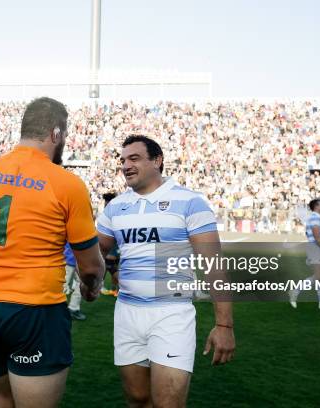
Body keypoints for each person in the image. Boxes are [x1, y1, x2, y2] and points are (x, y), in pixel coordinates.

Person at [0, 97, 105, 408]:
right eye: (64, 134)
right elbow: (91, 266)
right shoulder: (67, 184)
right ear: (55, 134)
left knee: (2, 397)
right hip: (36, 309)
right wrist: (90, 287)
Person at [97, 135, 235, 408]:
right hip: (127, 312)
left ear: (157, 161)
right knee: (137, 399)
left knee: (168, 404)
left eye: (134, 158)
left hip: (172, 315)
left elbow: (213, 266)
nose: (126, 165)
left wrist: (224, 325)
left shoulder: (189, 202)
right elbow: (97, 250)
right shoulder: (116, 206)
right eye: (123, 160)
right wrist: (109, 269)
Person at [289, 199, 320, 310]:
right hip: (314, 248)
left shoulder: (314, 217)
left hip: (315, 247)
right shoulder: (315, 217)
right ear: (316, 206)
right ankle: (295, 291)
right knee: (318, 275)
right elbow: (317, 237)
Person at [99, 192, 120, 297]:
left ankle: (122, 288)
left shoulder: (113, 214)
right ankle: (114, 289)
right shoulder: (108, 213)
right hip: (113, 247)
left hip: (112, 246)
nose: (105, 205)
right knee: (110, 267)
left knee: (111, 268)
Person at [63, 243, 85, 321]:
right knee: (61, 285)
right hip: (68, 260)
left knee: (82, 284)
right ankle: (55, 309)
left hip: (78, 261)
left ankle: (73, 308)